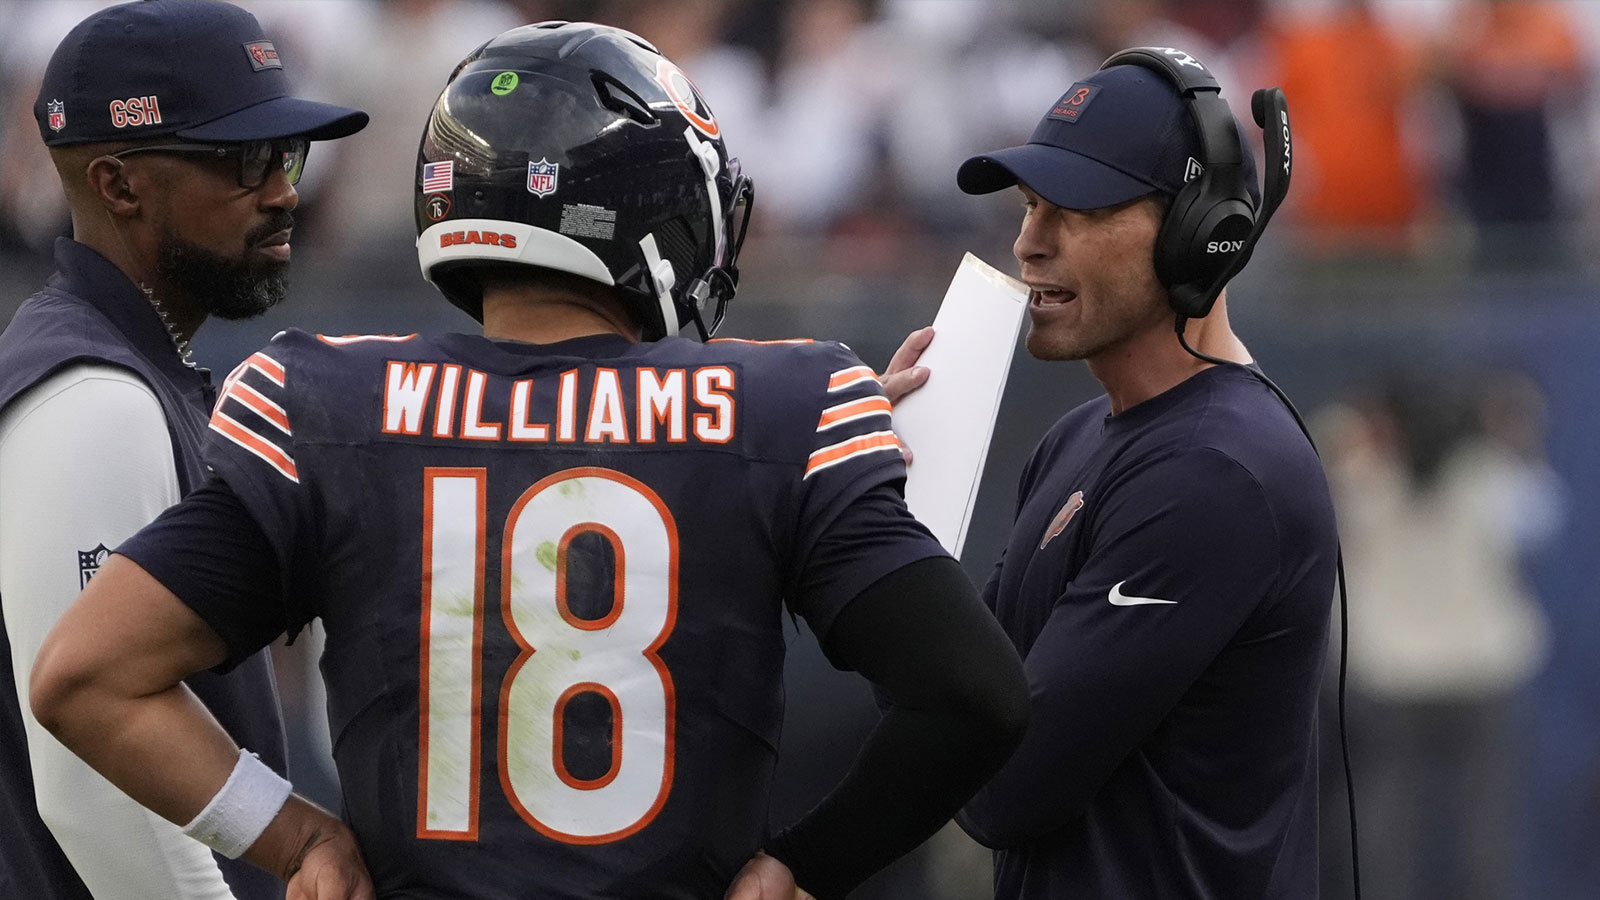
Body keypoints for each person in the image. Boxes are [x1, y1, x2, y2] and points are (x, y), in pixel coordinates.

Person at [28, 22, 1030, 900]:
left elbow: (86, 674)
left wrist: (295, 835)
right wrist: (808, 865)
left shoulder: (322, 403)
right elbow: (975, 695)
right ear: (663, 212)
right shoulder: (785, 406)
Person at [889, 48, 1339, 897]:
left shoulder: (1216, 472)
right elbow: (958, 696)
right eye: (1028, 206)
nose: (1028, 242)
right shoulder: (1076, 439)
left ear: (1201, 232)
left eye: (1075, 212)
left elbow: (1001, 787)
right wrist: (885, 492)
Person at [0, 2, 368, 899]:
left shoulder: (121, 364)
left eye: (288, 155)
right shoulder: (94, 395)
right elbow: (90, 783)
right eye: (243, 161)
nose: (283, 189)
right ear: (121, 186)